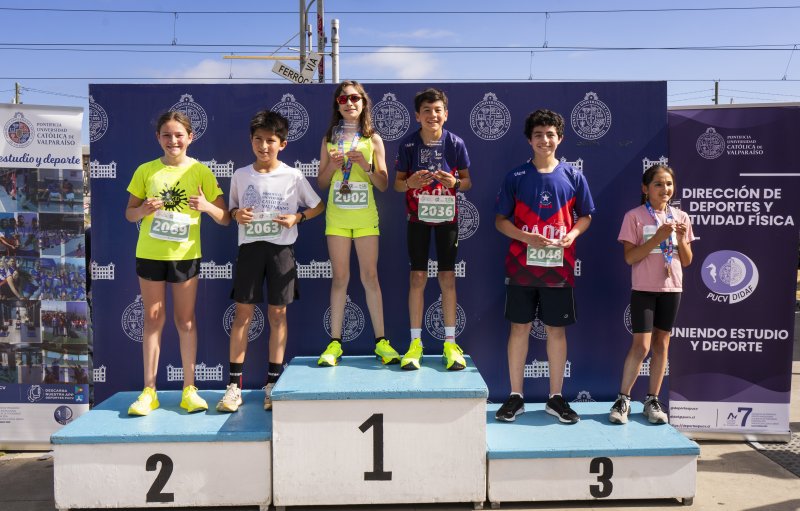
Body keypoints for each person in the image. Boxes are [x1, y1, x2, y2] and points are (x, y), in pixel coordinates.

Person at [216, 111, 324, 413]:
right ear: (251, 141)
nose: (264, 146)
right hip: (250, 250)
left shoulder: (293, 175)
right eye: (258, 140)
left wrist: (297, 217)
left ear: (282, 144)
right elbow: (232, 210)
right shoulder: (240, 175)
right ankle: (234, 387)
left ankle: (272, 384)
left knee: (278, 315)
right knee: (242, 315)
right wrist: (237, 214)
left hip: (281, 252)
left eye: (270, 141)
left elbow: (317, 206)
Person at [125, 110, 229, 416]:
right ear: (158, 138)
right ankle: (149, 391)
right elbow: (129, 214)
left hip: (185, 256)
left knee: (185, 321)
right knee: (153, 319)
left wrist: (207, 206)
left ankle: (189, 389)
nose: (173, 140)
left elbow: (225, 218)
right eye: (167, 135)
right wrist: (143, 210)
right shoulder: (145, 170)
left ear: (190, 137)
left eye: (179, 135)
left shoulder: (201, 171)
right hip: (150, 254)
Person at [494, 109, 594, 425]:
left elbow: (586, 216)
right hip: (521, 268)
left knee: (556, 331)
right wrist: (526, 236)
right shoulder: (515, 177)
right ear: (529, 139)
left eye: (550, 134)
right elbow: (500, 221)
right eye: (538, 134)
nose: (544, 140)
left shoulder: (574, 176)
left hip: (558, 270)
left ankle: (555, 398)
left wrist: (572, 235)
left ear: (559, 138)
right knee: (519, 328)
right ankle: (515, 396)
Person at [316, 80, 399, 367]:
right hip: (338, 217)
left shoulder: (373, 139)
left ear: (363, 103)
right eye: (343, 99)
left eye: (354, 98)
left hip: (365, 216)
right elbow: (322, 182)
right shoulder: (329, 138)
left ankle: (382, 342)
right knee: (340, 278)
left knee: (370, 277)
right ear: (337, 105)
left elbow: (383, 183)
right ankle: (335, 343)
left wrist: (365, 165)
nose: (349, 103)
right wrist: (333, 166)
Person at [392, 88, 472, 371]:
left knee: (447, 278)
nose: (432, 115)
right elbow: (397, 184)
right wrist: (410, 183)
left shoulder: (456, 143)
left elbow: (467, 182)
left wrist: (455, 183)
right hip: (418, 219)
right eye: (426, 110)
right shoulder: (408, 145)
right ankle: (415, 344)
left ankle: (450, 343)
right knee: (417, 278)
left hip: (447, 219)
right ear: (417, 116)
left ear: (446, 114)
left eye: (438, 110)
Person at [609, 164, 694, 425]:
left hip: (672, 288)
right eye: (658, 184)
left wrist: (680, 240)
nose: (664, 189)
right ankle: (623, 399)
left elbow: (687, 260)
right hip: (644, 289)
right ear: (645, 189)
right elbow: (630, 257)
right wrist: (658, 237)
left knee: (662, 343)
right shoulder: (634, 216)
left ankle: (652, 400)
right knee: (642, 346)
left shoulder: (681, 216)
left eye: (669, 184)